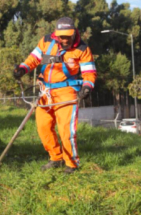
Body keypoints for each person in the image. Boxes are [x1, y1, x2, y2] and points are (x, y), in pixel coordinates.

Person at [13, 17, 97, 174]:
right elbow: (34, 59)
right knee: (43, 127)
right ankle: (55, 158)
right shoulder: (45, 41)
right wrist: (22, 69)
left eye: (67, 36)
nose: (64, 40)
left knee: (66, 130)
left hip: (66, 93)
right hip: (45, 91)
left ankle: (71, 164)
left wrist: (87, 87)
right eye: (61, 36)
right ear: (56, 34)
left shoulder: (82, 49)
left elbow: (89, 72)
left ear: (74, 34)